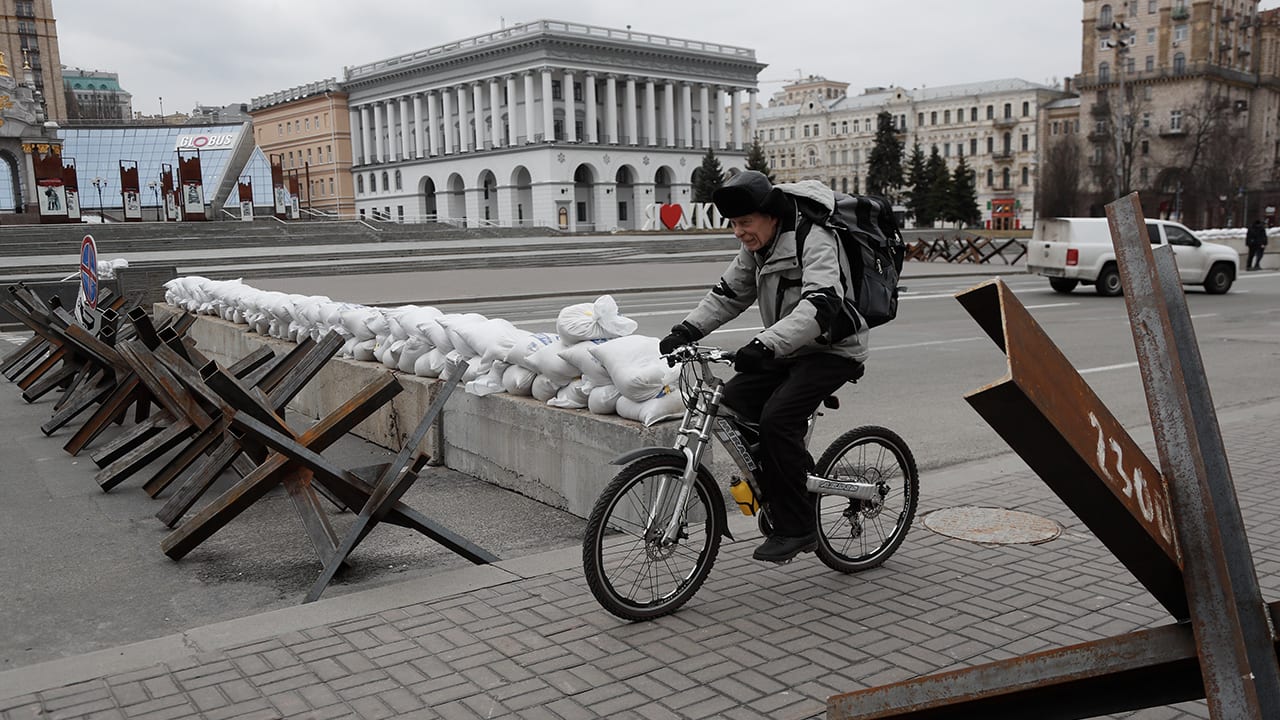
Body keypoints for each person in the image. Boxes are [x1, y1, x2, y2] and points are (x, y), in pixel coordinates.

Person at [659, 170, 868, 563]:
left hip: (833, 349)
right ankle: (788, 481)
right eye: (733, 225)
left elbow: (821, 305)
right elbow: (728, 293)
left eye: (745, 222)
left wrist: (763, 343)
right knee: (730, 404)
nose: (739, 232)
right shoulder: (758, 246)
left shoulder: (814, 237)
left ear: (770, 215)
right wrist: (686, 330)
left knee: (777, 419)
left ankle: (798, 527)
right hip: (786, 349)